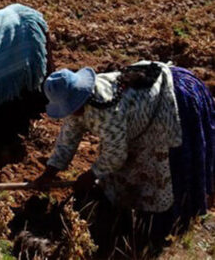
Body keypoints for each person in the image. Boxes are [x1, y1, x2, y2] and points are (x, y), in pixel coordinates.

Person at [34, 62, 214, 245]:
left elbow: (115, 157)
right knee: (122, 175)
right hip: (138, 115)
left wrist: (91, 175)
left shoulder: (106, 111)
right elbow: (68, 138)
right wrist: (49, 172)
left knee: (162, 173)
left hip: (170, 101)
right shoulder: (79, 106)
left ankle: (170, 227)